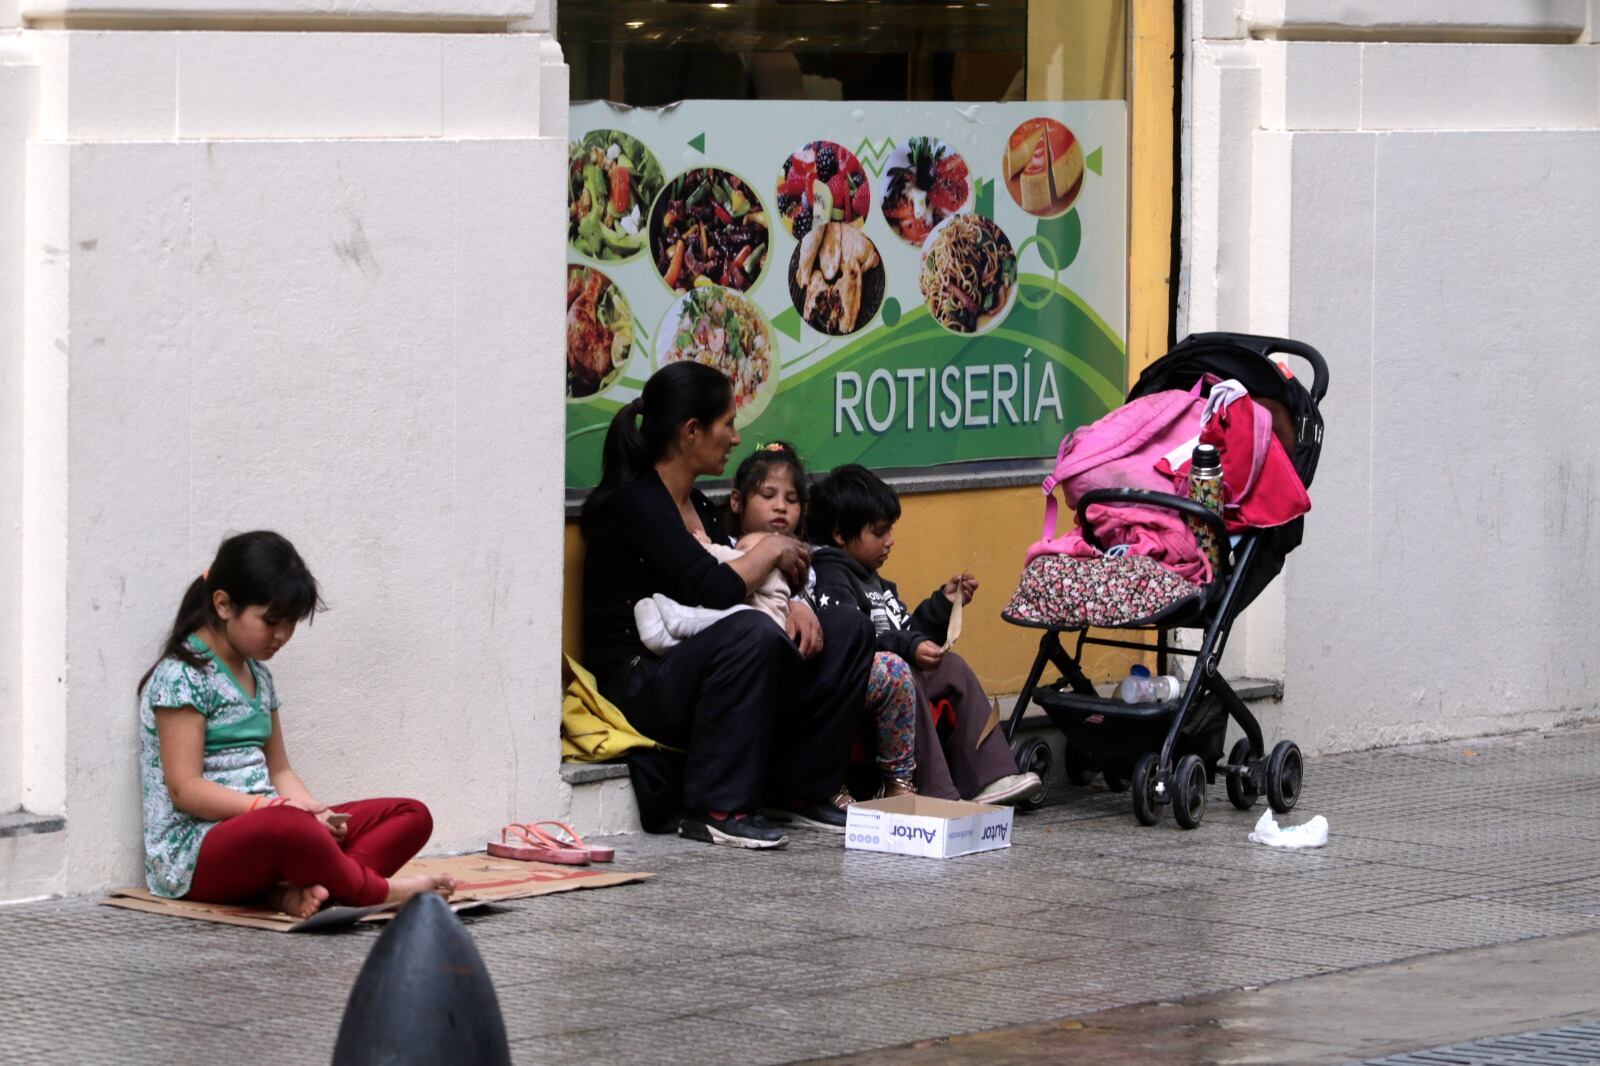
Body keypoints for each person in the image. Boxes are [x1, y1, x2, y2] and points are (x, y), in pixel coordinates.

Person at [580, 363, 873, 848]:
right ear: (692, 431)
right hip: (640, 679)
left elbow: (743, 583)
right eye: (728, 424)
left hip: (702, 661)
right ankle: (717, 807)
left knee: (847, 628)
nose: (736, 439)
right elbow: (715, 589)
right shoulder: (638, 504)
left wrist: (796, 603)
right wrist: (772, 548)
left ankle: (801, 791)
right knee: (750, 633)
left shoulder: (700, 505)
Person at [137, 531, 454, 919]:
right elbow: (184, 789)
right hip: (194, 853)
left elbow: (280, 770)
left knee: (410, 815)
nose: (282, 636)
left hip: (270, 824)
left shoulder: (259, 675)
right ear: (223, 604)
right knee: (289, 828)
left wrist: (314, 813)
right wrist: (272, 809)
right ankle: (376, 891)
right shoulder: (183, 676)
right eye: (271, 621)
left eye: (290, 623)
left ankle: (305, 889)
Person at [808, 465, 1042, 805]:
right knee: (906, 672)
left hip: (893, 675)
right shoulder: (831, 575)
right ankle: (938, 793)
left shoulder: (873, 579)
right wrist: (911, 647)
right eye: (879, 532)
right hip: (865, 687)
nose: (890, 541)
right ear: (840, 534)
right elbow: (856, 642)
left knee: (953, 668)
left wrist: (942, 606)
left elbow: (905, 632)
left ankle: (991, 776)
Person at [727, 442, 918, 799]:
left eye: (792, 499)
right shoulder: (727, 550)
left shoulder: (811, 562)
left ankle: (898, 783)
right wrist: (790, 602)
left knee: (891, 671)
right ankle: (821, 787)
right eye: (768, 495)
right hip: (764, 671)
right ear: (737, 501)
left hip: (815, 665)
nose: (781, 506)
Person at [632, 531, 789, 653]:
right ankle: (665, 640)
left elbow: (723, 556)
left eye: (743, 549)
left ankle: (679, 617)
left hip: (756, 627)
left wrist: (703, 546)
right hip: (752, 639)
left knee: (735, 617)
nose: (737, 553)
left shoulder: (773, 572)